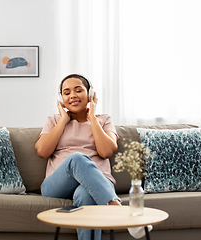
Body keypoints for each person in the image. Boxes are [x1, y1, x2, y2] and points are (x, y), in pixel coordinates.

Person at [35, 74, 121, 240]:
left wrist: (92, 118)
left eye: (78, 90)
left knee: (85, 195)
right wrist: (63, 120)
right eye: (66, 93)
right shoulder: (54, 120)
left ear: (90, 94)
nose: (72, 95)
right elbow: (42, 151)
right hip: (57, 185)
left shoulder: (104, 120)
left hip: (98, 182)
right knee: (77, 158)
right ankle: (115, 206)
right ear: (62, 99)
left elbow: (106, 152)